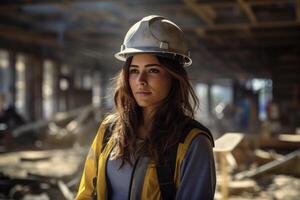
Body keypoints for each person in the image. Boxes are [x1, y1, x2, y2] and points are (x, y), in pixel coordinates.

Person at [75, 15, 216, 200]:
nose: (140, 81)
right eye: (134, 71)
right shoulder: (109, 130)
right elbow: (86, 194)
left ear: (174, 77)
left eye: (153, 70)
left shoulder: (193, 143)